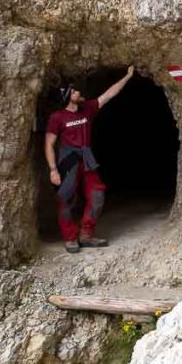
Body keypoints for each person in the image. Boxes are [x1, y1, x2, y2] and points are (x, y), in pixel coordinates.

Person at [45, 66, 136, 253]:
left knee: (97, 195)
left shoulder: (87, 109)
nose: (79, 92)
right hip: (68, 161)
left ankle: (86, 235)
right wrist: (53, 169)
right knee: (65, 199)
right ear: (68, 96)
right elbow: (48, 144)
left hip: (87, 159)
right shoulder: (58, 117)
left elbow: (108, 95)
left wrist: (127, 77)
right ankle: (70, 238)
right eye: (75, 91)